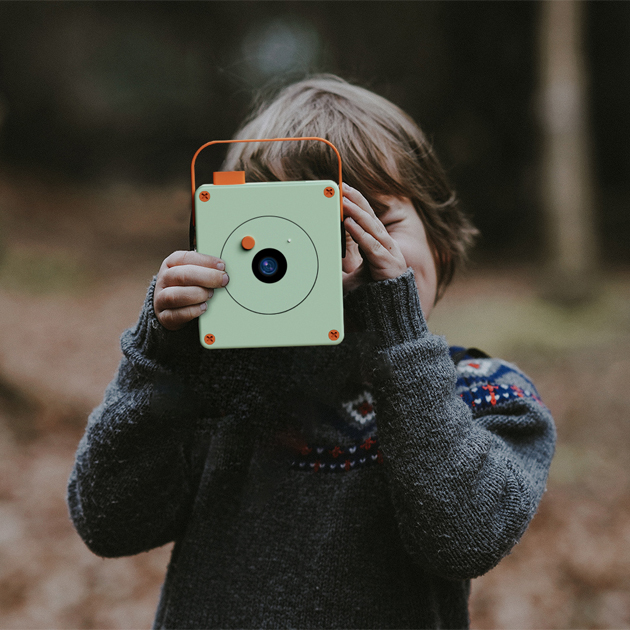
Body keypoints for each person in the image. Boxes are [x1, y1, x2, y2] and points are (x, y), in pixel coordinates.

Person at [68, 75, 556, 629]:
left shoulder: (485, 391)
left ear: (439, 239)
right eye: (306, 234)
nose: (345, 262)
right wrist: (164, 360)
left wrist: (396, 330)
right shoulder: (226, 390)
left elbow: (466, 538)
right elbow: (109, 521)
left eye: (375, 221)